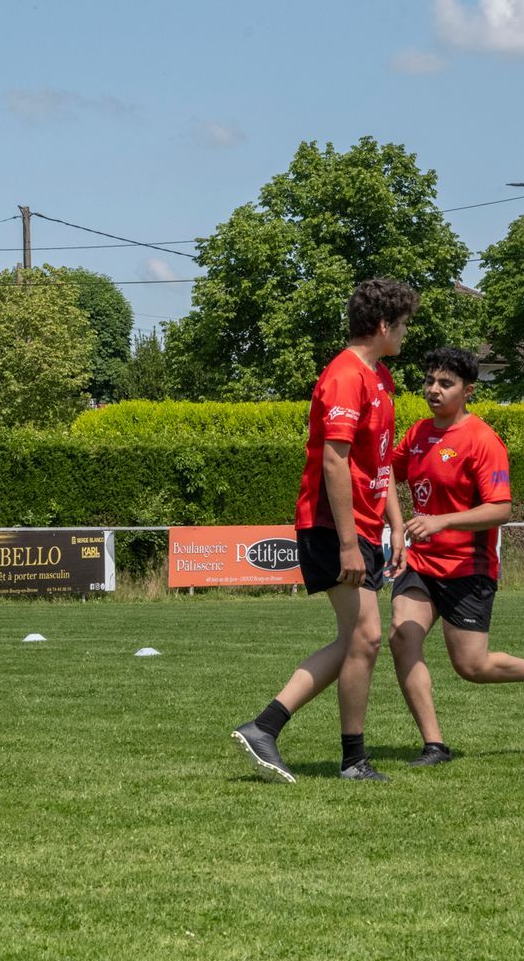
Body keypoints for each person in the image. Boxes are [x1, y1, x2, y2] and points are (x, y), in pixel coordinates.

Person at [232, 279, 415, 782]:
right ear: (383, 325)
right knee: (366, 636)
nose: (406, 334)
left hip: (361, 528)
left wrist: (397, 526)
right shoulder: (345, 375)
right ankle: (349, 758)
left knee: (359, 639)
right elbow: (335, 463)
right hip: (332, 528)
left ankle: (267, 727)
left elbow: (380, 464)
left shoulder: (380, 378)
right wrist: (350, 545)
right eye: (403, 325)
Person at [386, 346, 524, 767]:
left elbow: (500, 509)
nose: (434, 390)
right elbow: (383, 475)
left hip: (468, 568)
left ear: (468, 391)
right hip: (421, 564)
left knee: (471, 666)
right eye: (430, 381)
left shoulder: (483, 440)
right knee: (401, 635)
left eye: (445, 384)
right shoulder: (417, 435)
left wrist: (442, 521)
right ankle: (434, 745)